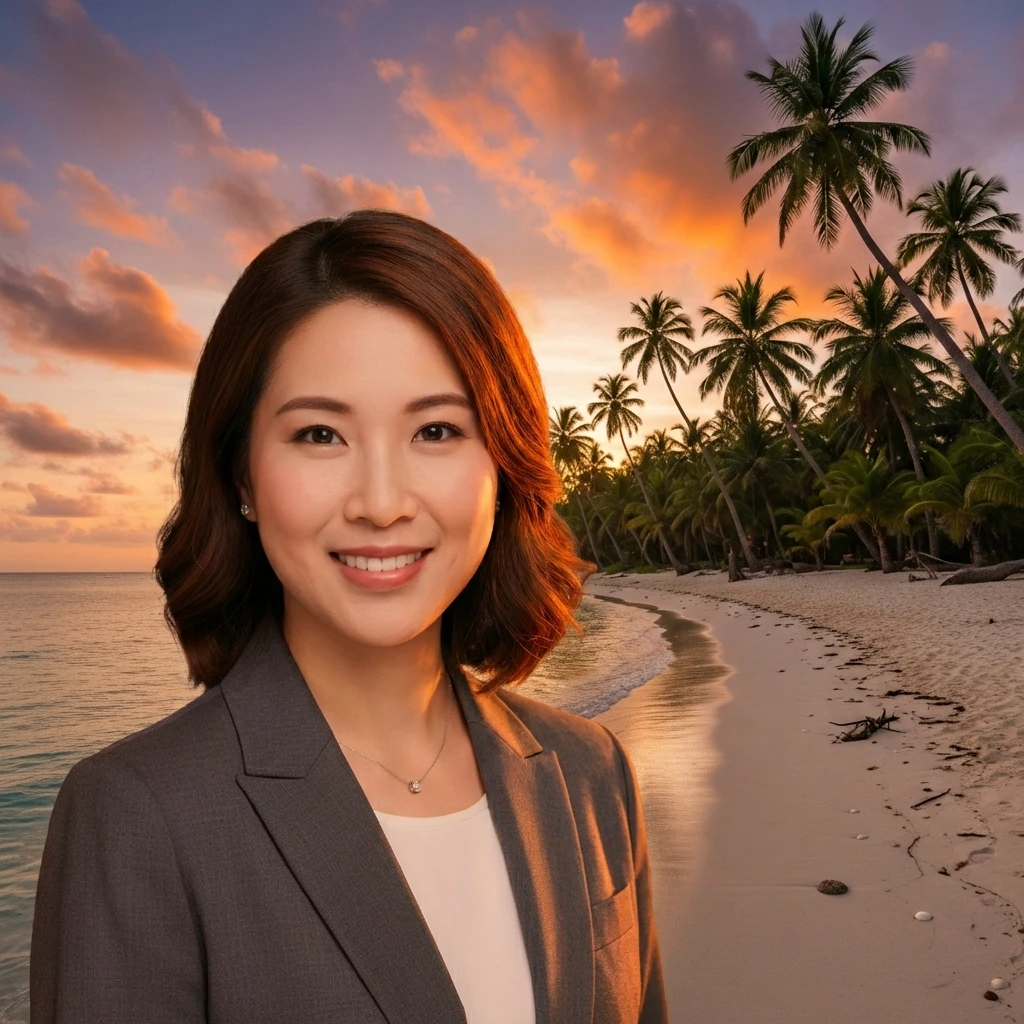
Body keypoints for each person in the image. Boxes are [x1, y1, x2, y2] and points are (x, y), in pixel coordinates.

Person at [29, 210, 669, 1023]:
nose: (379, 503)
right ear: (241, 476)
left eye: (436, 430)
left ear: (502, 466)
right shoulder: (136, 815)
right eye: (321, 434)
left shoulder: (592, 773)